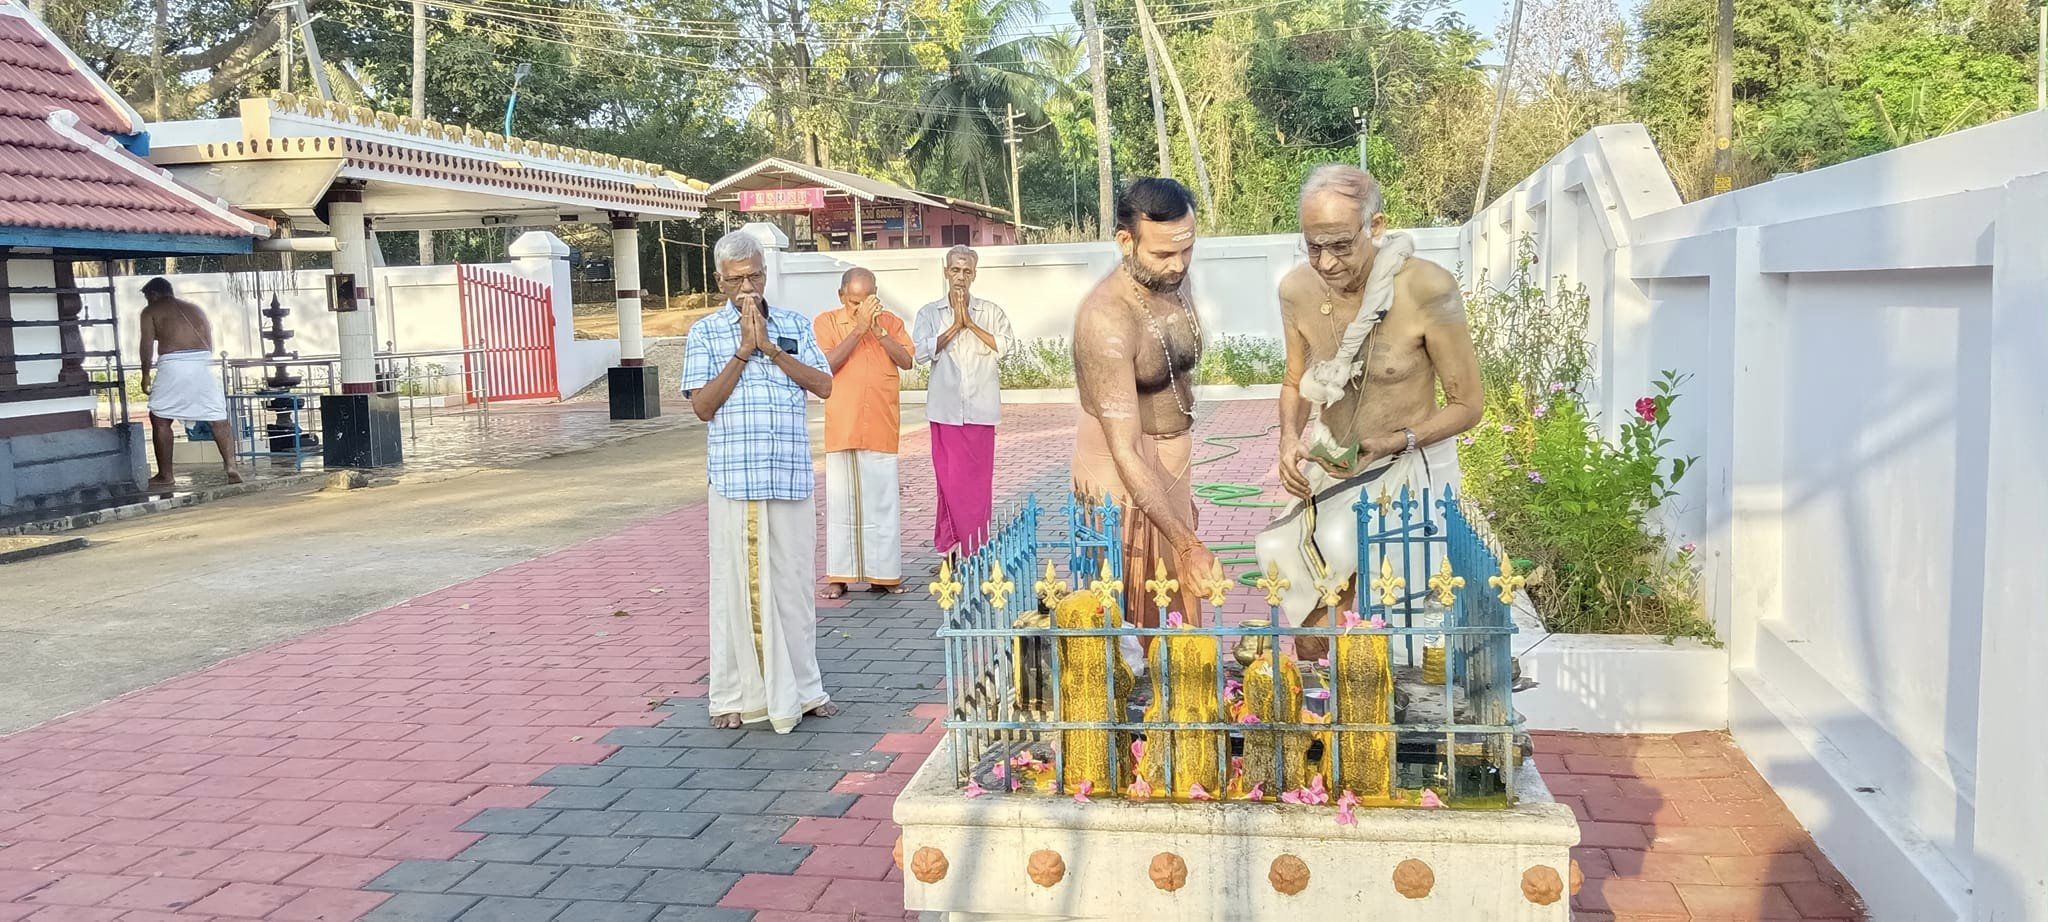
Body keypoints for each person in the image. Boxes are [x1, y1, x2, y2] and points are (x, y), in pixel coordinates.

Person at [1258, 164, 1483, 660]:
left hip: (1410, 466)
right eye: (1313, 246)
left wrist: (1393, 442)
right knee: (1298, 592)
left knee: (1387, 632)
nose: (1326, 262)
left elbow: (1469, 406)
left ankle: (1385, 725)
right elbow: (1295, 381)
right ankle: (1326, 721)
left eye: (1340, 245)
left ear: (1375, 227)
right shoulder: (1296, 290)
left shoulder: (1427, 288)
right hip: (1334, 464)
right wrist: (1288, 439)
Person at [681, 232, 840, 732]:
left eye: (754, 275)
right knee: (737, 590)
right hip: (736, 479)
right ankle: (735, 695)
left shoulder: (793, 325)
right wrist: (743, 352)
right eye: (736, 279)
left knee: (793, 587)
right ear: (719, 281)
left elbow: (824, 385)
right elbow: (703, 408)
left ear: (765, 274)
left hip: (790, 474)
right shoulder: (704, 333)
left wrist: (769, 348)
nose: (747, 287)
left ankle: (806, 689)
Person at [1071, 178, 1220, 630]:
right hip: (1122, 462)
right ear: (1125, 241)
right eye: (1163, 254)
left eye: (1187, 250)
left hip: (1171, 453)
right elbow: (1125, 451)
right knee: (1134, 597)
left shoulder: (1174, 279)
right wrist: (1188, 544)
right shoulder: (1107, 319)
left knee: (1179, 602)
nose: (1178, 265)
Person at [813, 268, 915, 599]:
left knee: (882, 505)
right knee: (842, 506)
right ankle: (839, 577)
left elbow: (907, 361)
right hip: (843, 424)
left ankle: (883, 575)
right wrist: (858, 330)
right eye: (854, 301)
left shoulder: (891, 322)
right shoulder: (826, 322)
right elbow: (826, 365)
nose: (860, 308)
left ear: (876, 296)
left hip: (881, 425)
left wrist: (879, 331)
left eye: (866, 300)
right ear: (841, 296)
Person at [912, 245, 1016, 561]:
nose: (960, 276)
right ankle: (951, 547)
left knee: (978, 484)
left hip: (981, 412)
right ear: (946, 272)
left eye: (967, 271)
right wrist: (954, 326)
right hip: (945, 412)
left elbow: (1007, 348)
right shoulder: (930, 313)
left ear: (974, 274)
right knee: (949, 481)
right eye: (955, 270)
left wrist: (970, 322)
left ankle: (976, 547)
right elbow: (919, 353)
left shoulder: (991, 311)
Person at [137, 277, 242, 488]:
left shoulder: (151, 311)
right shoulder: (196, 309)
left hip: (172, 364)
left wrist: (145, 374)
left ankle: (166, 475)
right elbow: (209, 344)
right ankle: (231, 465)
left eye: (148, 298)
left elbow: (146, 346)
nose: (148, 302)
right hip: (202, 364)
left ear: (154, 295)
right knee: (217, 416)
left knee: (160, 417)